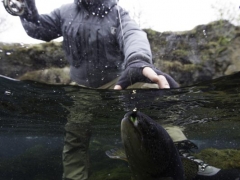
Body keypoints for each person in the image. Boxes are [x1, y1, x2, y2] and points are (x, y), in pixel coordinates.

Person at [12, 0, 239, 179]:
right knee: (75, 135)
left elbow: (134, 35)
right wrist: (25, 9)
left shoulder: (117, 13)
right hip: (80, 87)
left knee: (153, 91)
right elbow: (39, 29)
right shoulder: (64, 12)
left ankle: (182, 156)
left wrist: (138, 61)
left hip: (118, 82)